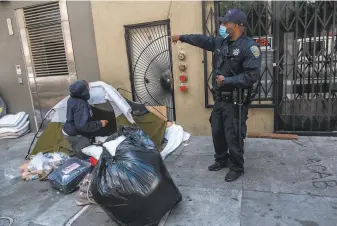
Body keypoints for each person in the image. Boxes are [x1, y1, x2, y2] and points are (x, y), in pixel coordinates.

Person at [171, 9, 262, 182]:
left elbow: (252, 76)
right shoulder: (222, 43)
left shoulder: (249, 47)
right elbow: (202, 40)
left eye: (225, 23)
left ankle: (236, 167)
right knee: (217, 131)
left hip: (236, 102)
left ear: (235, 26)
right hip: (220, 100)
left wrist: (227, 80)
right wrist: (181, 37)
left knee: (233, 134)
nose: (222, 25)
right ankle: (221, 159)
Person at [62, 80, 109, 160]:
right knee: (85, 158)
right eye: (87, 88)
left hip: (68, 130)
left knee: (77, 155)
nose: (89, 90)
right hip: (76, 135)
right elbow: (82, 126)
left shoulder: (72, 98)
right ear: (83, 90)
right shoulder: (81, 104)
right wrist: (100, 123)